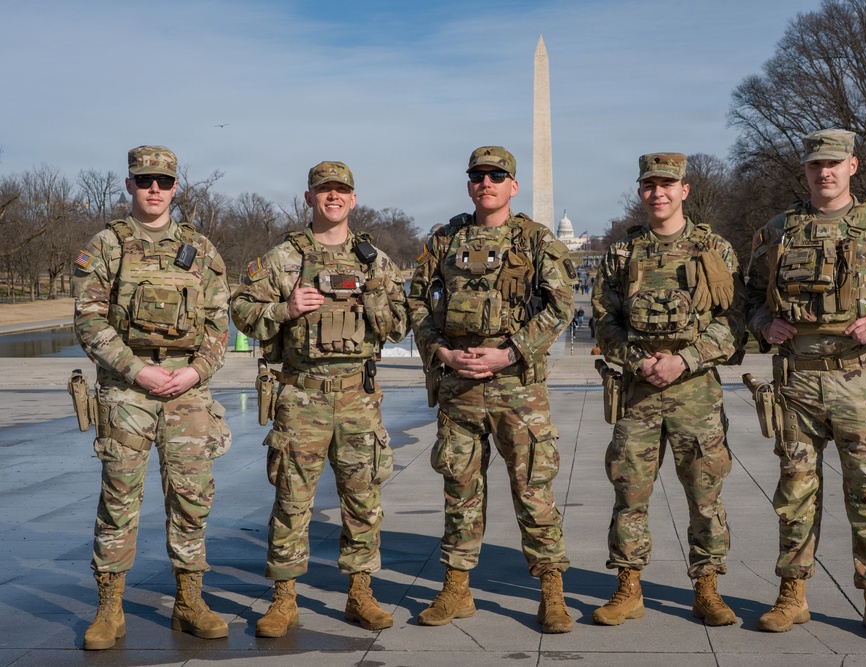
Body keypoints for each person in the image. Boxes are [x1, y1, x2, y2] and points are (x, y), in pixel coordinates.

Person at [746, 129, 866, 640]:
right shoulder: (779, 230)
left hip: (860, 386)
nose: (824, 172)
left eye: (834, 163)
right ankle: (793, 594)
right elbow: (746, 296)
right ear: (804, 170)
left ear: (853, 165)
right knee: (794, 493)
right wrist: (765, 324)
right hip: (797, 384)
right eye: (814, 165)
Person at [231, 161, 407, 637]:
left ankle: (360, 593)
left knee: (363, 498)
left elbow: (401, 323)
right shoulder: (283, 258)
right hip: (301, 395)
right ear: (308, 198)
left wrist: (374, 301)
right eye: (323, 190)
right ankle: (284, 598)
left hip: (357, 396)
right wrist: (284, 309)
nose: (333, 198)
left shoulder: (374, 260)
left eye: (341, 191)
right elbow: (241, 310)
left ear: (353, 199)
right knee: (291, 499)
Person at [407, 146, 576, 634]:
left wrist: (513, 351)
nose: (487, 183)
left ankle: (551, 591)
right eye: (478, 175)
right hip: (458, 385)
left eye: (497, 175)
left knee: (533, 490)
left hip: (516, 387)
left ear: (513, 185)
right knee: (459, 488)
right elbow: (416, 303)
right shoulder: (443, 240)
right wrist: (441, 352)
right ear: (468, 184)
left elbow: (561, 305)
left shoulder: (536, 239)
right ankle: (457, 588)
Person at [72, 145, 232, 650]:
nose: (154, 190)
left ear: (176, 187)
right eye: (145, 181)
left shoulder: (201, 249)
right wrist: (137, 369)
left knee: (191, 497)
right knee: (119, 498)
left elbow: (218, 324)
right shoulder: (106, 245)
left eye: (163, 181)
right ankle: (110, 607)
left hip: (187, 394)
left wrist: (195, 371)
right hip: (126, 392)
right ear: (129, 185)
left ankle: (189, 601)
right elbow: (89, 320)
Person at [590, 153, 747, 627]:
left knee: (705, 496)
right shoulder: (622, 253)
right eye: (648, 185)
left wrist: (684, 360)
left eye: (666, 184)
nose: (657, 193)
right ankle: (628, 586)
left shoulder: (714, 248)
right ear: (640, 192)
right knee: (630, 494)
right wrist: (639, 360)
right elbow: (604, 320)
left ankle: (708, 587)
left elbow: (735, 322)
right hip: (637, 394)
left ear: (684, 190)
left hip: (696, 392)